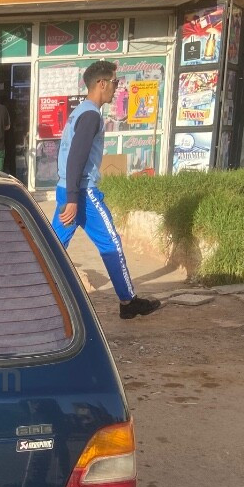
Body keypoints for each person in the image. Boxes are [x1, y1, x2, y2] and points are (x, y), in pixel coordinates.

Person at [53, 60, 161, 320]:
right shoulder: (91, 114)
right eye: (115, 82)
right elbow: (76, 157)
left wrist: (68, 196)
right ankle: (128, 302)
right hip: (82, 193)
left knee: (52, 247)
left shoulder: (81, 112)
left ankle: (30, 292)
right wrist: (73, 200)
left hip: (67, 189)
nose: (116, 88)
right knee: (111, 243)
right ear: (101, 84)